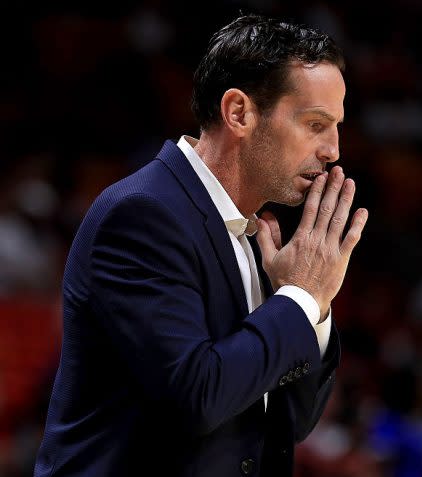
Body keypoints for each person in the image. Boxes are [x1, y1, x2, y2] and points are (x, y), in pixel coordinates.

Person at [34, 13, 367, 477]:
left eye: (336, 126)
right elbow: (198, 397)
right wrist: (300, 297)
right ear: (239, 113)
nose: (333, 149)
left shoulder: (252, 233)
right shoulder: (143, 215)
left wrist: (316, 308)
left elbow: (290, 422)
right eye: (315, 124)